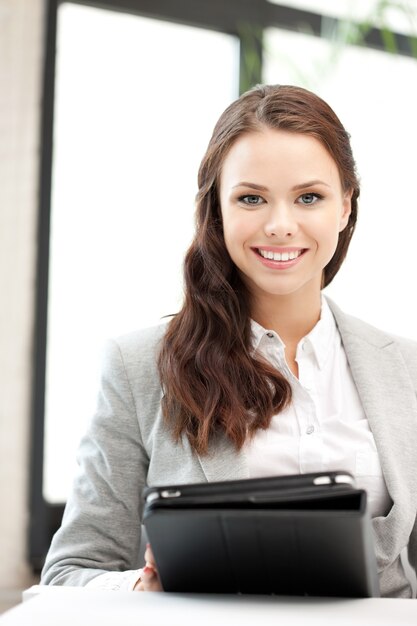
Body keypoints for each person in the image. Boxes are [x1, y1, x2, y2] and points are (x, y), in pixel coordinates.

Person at [41, 84, 417, 598]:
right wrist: (141, 587)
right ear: (217, 209)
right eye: (251, 198)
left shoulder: (405, 369)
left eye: (309, 197)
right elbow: (69, 572)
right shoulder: (138, 368)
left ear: (346, 206)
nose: (280, 225)